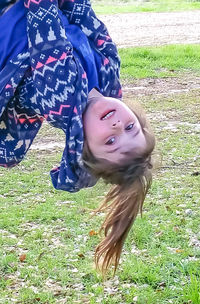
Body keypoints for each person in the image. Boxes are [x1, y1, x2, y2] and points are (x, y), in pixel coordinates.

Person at [0, 0, 155, 273]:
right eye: (131, 129)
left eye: (110, 141)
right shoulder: (107, 77)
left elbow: (43, 19)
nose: (118, 125)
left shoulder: (61, 100)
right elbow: (86, 18)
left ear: (83, 145)